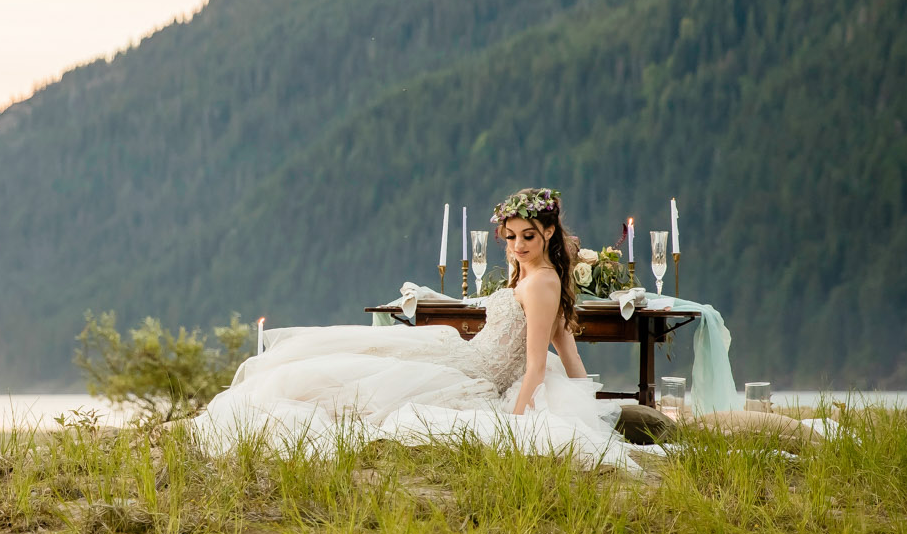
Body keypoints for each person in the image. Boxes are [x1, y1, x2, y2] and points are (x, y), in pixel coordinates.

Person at [191, 187, 632, 468]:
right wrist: (590, 404)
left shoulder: (540, 282)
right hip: (466, 356)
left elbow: (539, 364)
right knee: (367, 357)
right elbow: (568, 349)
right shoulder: (536, 275)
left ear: (550, 231)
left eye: (528, 236)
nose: (517, 246)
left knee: (369, 380)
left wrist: (516, 423)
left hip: (479, 372)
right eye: (511, 236)